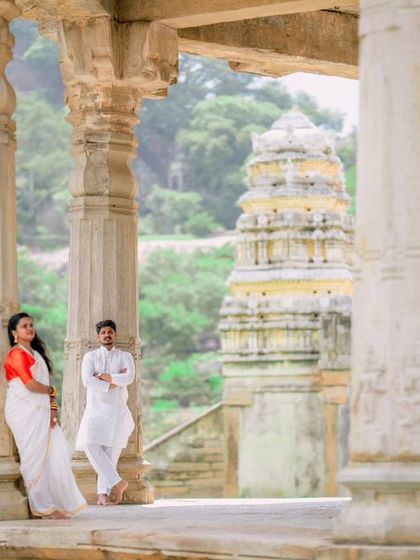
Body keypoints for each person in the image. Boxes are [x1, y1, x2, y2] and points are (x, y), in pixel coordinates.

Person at [3, 312, 87, 519]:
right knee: (33, 456)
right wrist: (52, 392)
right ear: (14, 332)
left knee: (50, 454)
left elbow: (46, 387)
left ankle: (52, 503)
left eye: (31, 325)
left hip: (41, 410)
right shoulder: (16, 354)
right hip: (23, 411)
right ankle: (42, 507)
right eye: (24, 326)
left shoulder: (35, 353)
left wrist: (53, 409)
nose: (30, 329)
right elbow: (30, 385)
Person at [75, 319, 135, 505]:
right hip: (95, 410)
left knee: (110, 456)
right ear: (98, 336)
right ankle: (118, 482)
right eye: (103, 333)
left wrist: (104, 377)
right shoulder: (90, 357)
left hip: (117, 411)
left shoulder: (125, 356)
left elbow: (130, 378)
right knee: (89, 444)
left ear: (115, 335)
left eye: (110, 332)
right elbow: (87, 380)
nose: (107, 335)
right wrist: (114, 382)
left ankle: (103, 495)